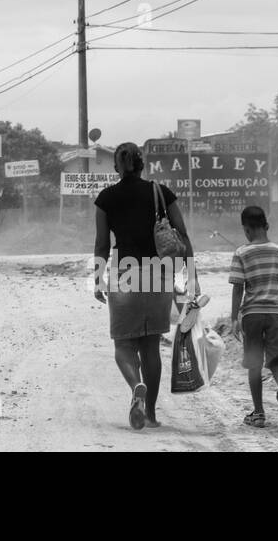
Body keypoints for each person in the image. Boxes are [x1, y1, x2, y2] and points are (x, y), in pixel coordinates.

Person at [93, 142, 194, 430]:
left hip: (125, 273)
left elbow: (101, 244)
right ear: (142, 165)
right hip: (158, 273)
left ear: (116, 167)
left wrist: (99, 278)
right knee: (150, 344)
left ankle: (136, 385)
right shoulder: (161, 192)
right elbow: (183, 236)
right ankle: (149, 413)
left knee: (124, 344)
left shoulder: (106, 198)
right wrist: (190, 278)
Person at [228, 205, 278, 428]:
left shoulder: (241, 253)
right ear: (266, 226)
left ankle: (258, 414)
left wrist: (233, 318)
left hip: (252, 315)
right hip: (276, 314)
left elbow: (237, 288)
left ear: (246, 230)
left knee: (254, 364)